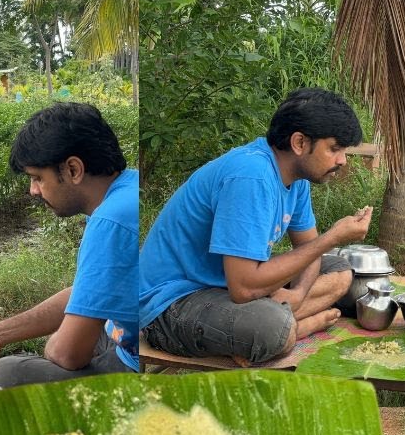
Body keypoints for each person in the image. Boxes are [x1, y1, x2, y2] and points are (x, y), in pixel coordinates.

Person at [139, 87, 373, 365]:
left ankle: (278, 325)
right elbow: (244, 289)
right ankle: (295, 327)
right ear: (299, 143)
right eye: (334, 149)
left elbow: (309, 250)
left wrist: (297, 294)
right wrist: (332, 237)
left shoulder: (296, 178)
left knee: (340, 273)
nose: (342, 160)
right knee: (271, 326)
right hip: (172, 305)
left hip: (224, 285)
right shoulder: (252, 176)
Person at [0, 102, 138, 387]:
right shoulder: (127, 190)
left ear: (73, 169)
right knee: (71, 329)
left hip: (135, 363)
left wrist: (55, 345)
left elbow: (68, 355)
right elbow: (89, 293)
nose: (33, 190)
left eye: (38, 178)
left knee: (6, 375)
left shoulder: (111, 220)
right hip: (137, 334)